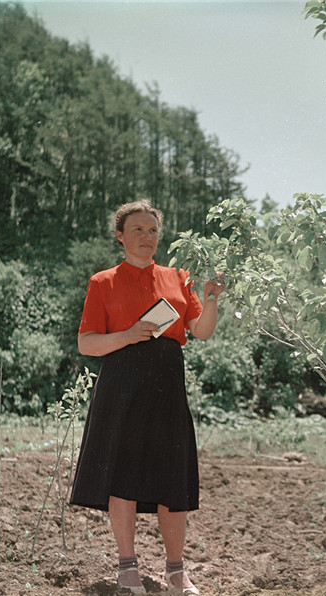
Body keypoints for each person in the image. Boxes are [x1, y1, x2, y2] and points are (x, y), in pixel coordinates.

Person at [69, 200, 223, 595]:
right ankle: (127, 569)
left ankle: (176, 571)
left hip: (167, 386)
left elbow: (201, 332)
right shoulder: (101, 282)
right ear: (120, 236)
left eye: (152, 230)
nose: (147, 237)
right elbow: (87, 343)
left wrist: (212, 299)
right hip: (121, 385)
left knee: (173, 476)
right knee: (124, 476)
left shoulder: (178, 277)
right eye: (137, 230)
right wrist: (127, 335)